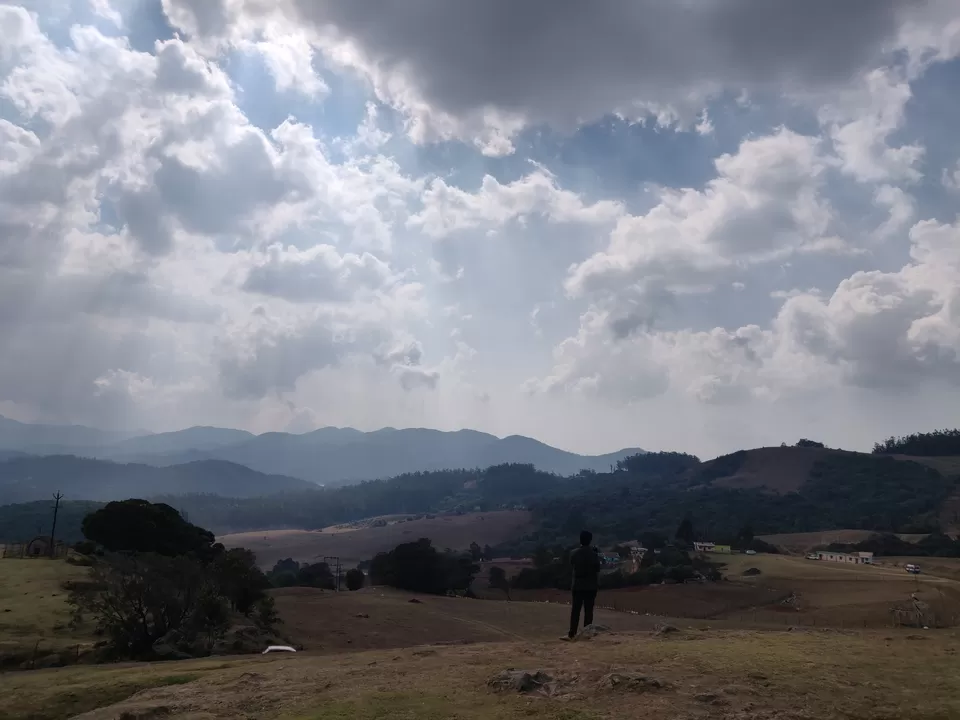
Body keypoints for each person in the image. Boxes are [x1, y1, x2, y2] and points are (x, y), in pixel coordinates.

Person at [564, 529, 600, 640]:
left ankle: (572, 633)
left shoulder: (573, 553)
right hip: (591, 586)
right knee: (589, 611)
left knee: (575, 610)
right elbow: (597, 569)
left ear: (580, 540)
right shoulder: (594, 554)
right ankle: (586, 633)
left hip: (578, 586)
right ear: (590, 540)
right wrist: (595, 553)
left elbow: (572, 564)